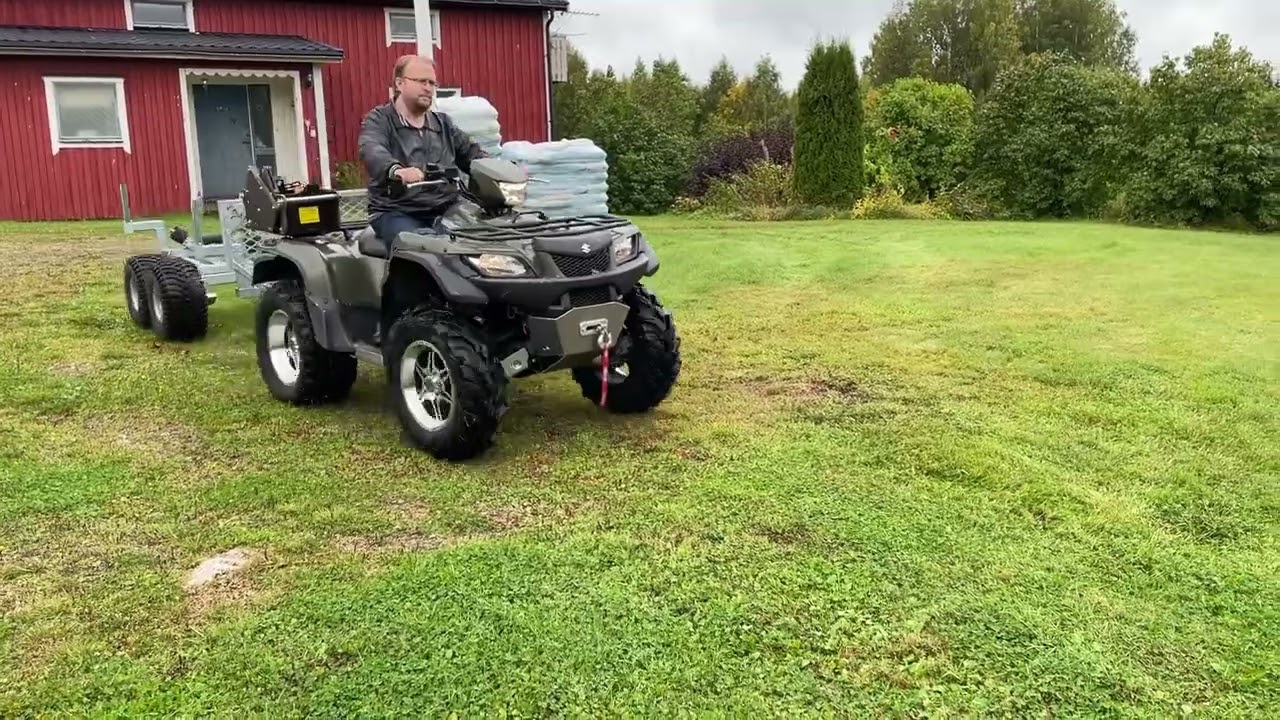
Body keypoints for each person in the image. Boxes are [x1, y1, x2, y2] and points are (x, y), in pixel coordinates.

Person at [358, 54, 487, 250]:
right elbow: (372, 149)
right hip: (397, 211)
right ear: (399, 83)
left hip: (446, 206)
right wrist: (396, 170)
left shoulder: (443, 124)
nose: (428, 88)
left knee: (486, 236)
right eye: (421, 81)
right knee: (426, 250)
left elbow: (471, 153)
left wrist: (499, 169)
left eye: (432, 83)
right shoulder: (379, 120)